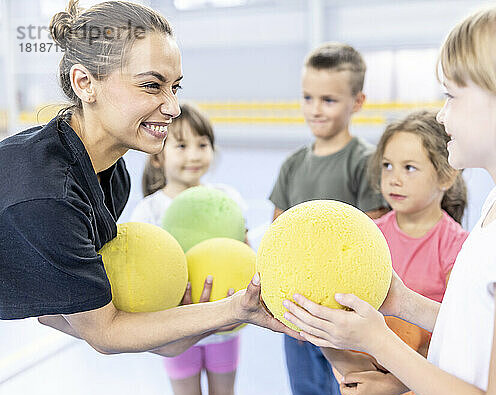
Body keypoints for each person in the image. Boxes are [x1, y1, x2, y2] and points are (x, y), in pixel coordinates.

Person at [283, 1, 496, 395]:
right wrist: (403, 303)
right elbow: (481, 325)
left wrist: (381, 344)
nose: (441, 116)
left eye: (452, 96)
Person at [0, 0, 299, 357]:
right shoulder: (50, 196)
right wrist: (232, 309)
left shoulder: (112, 174)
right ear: (85, 83)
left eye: (175, 87)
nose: (172, 107)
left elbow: (57, 310)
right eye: (152, 86)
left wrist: (190, 324)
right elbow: (104, 332)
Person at [321, 110, 469, 395]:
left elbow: (456, 332)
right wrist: (349, 371)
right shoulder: (366, 234)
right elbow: (335, 306)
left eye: (409, 168)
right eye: (387, 166)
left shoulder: (456, 248)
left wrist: (397, 385)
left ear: (446, 175)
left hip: (422, 384)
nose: (394, 178)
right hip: (361, 383)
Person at [269, 42, 388, 395]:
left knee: (347, 390)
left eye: (329, 100)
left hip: (344, 315)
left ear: (358, 102)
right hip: (297, 312)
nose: (315, 110)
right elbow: (277, 232)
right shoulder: (292, 165)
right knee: (305, 391)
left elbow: (376, 239)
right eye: (308, 98)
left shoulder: (365, 162)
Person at [130, 103, 245, 395]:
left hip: (225, 321)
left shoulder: (227, 200)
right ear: (158, 156)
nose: (194, 154)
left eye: (202, 144)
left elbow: (245, 253)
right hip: (175, 326)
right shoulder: (149, 212)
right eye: (181, 145)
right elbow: (141, 275)